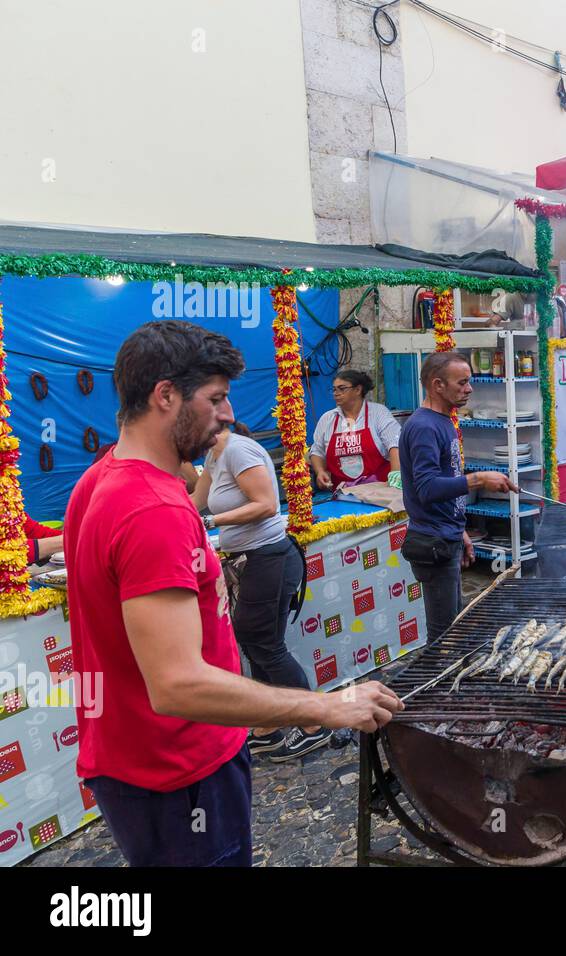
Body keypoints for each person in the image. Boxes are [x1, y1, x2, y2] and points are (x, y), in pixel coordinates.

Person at [63, 320, 401, 867]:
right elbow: (177, 685)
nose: (226, 413)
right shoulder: (153, 508)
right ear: (165, 395)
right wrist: (328, 705)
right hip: (179, 772)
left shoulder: (100, 478)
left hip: (141, 764)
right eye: (216, 398)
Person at [191, 422, 326, 761]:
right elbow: (197, 500)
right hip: (251, 560)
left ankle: (315, 725)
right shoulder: (213, 454)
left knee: (265, 644)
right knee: (254, 643)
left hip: (269, 558)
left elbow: (266, 504)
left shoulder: (238, 450)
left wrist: (210, 523)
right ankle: (268, 726)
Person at [400, 352, 517, 642]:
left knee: (455, 623)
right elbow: (427, 488)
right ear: (438, 385)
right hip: (432, 542)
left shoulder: (443, 421)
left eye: (469, 381)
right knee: (444, 635)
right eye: (462, 382)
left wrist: (459, 529)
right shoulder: (424, 427)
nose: (470, 388)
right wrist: (479, 479)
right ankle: (435, 684)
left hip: (446, 535)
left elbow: (444, 482)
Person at [310, 369, 402, 491]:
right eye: (334, 389)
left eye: (342, 388)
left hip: (379, 491)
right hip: (342, 494)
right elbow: (317, 451)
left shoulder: (378, 413)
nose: (336, 393)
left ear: (358, 390)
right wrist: (320, 471)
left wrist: (396, 479)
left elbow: (395, 445)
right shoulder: (328, 419)